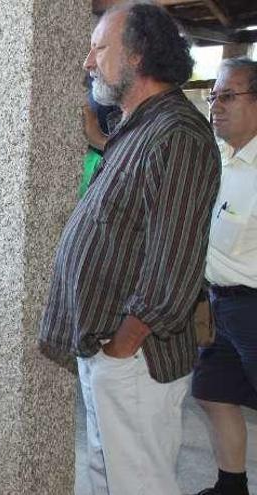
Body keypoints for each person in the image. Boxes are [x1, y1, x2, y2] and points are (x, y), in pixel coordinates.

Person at [37, 4, 221, 495]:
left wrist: (124, 342)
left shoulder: (177, 134)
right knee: (107, 477)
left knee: (139, 483)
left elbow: (174, 261)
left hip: (137, 356)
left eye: (99, 48)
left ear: (137, 56)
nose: (87, 61)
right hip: (112, 350)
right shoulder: (138, 127)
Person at [191, 57, 257, 495]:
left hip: (254, 309)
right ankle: (231, 485)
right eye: (214, 96)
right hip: (220, 307)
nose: (216, 105)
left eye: (228, 96)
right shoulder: (218, 157)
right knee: (212, 391)